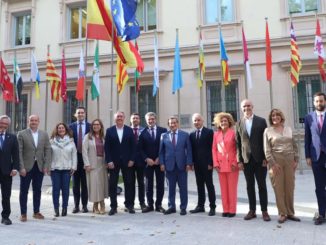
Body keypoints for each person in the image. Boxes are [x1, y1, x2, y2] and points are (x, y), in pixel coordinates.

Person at [236, 99, 271, 221]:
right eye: (244, 106)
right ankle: (252, 210)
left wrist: (266, 158)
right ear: (242, 108)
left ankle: (264, 211)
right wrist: (239, 160)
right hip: (246, 160)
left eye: (248, 105)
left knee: (262, 185)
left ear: (252, 106)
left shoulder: (261, 121)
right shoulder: (239, 123)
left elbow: (266, 141)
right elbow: (238, 143)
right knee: (249, 186)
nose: (247, 108)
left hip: (260, 159)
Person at [264, 109, 300, 224]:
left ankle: (290, 213)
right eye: (273, 116)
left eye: (277, 115)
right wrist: (272, 163)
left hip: (290, 161)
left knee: (290, 187)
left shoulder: (288, 129)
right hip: (276, 162)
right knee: (278, 188)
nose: (275, 117)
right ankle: (282, 213)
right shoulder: (267, 131)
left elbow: (294, 145)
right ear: (271, 118)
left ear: (281, 117)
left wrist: (296, 159)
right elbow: (267, 149)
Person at [17, 115, 51, 222]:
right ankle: (23, 213)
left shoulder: (44, 134)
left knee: (37, 190)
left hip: (39, 167)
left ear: (39, 122)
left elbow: (48, 150)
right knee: (24, 191)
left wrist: (46, 166)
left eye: (36, 120)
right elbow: (19, 152)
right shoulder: (22, 134)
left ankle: (36, 212)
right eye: (32, 120)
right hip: (26, 167)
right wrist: (21, 167)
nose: (34, 122)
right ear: (28, 121)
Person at [159, 116, 193, 215]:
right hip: (169, 166)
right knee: (170, 188)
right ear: (168, 124)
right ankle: (171, 207)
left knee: (183, 188)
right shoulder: (164, 135)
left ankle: (183, 207)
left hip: (182, 166)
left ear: (177, 124)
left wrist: (188, 163)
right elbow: (161, 151)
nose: (172, 125)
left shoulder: (185, 135)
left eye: (174, 123)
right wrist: (162, 163)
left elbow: (189, 150)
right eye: (170, 123)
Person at [105, 111, 136, 215]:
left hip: (127, 162)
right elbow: (107, 148)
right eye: (117, 116)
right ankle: (113, 206)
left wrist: (132, 159)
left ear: (124, 118)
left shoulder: (129, 130)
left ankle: (129, 205)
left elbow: (133, 146)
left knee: (129, 183)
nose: (119, 118)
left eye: (121, 116)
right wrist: (109, 160)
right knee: (112, 184)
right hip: (113, 162)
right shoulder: (109, 131)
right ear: (115, 118)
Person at [304, 92, 326, 225]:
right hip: (316, 157)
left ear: (325, 102)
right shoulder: (308, 118)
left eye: (321, 101)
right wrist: (307, 155)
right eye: (317, 101)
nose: (319, 103)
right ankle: (322, 213)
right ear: (314, 103)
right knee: (319, 187)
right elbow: (307, 138)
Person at [139, 112, 167, 213]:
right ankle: (150, 205)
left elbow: (165, 146)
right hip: (148, 163)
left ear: (155, 119)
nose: (150, 121)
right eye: (148, 120)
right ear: (146, 121)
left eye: (152, 119)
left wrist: (160, 158)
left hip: (160, 162)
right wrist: (146, 158)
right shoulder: (142, 133)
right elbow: (140, 149)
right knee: (148, 185)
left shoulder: (163, 131)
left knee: (160, 184)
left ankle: (158, 205)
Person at [212, 112, 239, 217]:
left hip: (232, 165)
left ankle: (232, 210)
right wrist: (215, 163)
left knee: (232, 189)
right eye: (222, 121)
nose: (223, 123)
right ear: (219, 123)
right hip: (220, 165)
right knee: (223, 189)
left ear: (229, 122)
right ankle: (225, 209)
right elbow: (214, 150)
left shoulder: (233, 133)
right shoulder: (216, 134)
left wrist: (235, 162)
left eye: (225, 121)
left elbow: (238, 149)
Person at [189, 113, 216, 216]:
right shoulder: (191, 135)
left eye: (198, 120)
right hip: (197, 165)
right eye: (195, 121)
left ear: (202, 120)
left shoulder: (209, 132)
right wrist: (191, 163)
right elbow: (191, 151)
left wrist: (211, 162)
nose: (197, 122)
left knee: (209, 185)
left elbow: (212, 149)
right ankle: (200, 206)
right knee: (199, 185)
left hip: (207, 164)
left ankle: (212, 207)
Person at [50, 123, 77, 217]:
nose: (61, 129)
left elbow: (74, 155)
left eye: (62, 128)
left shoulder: (71, 141)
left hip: (67, 169)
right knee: (56, 189)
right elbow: (49, 155)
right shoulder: (52, 141)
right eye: (59, 128)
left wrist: (74, 167)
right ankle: (56, 209)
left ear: (66, 129)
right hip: (55, 169)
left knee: (65, 190)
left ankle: (64, 208)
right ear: (56, 130)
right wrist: (49, 167)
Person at [82, 119, 108, 215]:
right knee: (94, 185)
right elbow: (84, 151)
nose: (96, 126)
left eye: (98, 124)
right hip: (92, 164)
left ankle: (102, 204)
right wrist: (87, 164)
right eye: (94, 125)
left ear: (101, 126)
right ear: (92, 126)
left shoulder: (103, 137)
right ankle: (95, 205)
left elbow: (107, 150)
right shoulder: (87, 137)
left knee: (101, 184)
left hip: (102, 163)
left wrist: (107, 161)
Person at [69, 106, 90, 213]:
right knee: (75, 184)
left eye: (82, 113)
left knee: (85, 184)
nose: (80, 114)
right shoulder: (70, 127)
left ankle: (85, 206)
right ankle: (76, 206)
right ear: (75, 115)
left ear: (85, 114)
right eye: (79, 113)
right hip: (74, 158)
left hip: (86, 158)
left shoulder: (90, 126)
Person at [0, 115, 19, 225]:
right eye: (2, 123)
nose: (3, 125)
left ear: (8, 125)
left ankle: (5, 216)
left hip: (7, 171)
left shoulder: (12, 137)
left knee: (6, 195)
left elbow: (15, 154)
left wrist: (15, 168)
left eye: (6, 124)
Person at [130, 113, 147, 211]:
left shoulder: (144, 131)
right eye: (133, 118)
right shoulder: (127, 130)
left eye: (137, 118)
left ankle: (142, 203)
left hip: (141, 161)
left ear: (139, 120)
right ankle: (130, 204)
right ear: (130, 120)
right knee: (130, 183)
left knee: (141, 183)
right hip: (130, 162)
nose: (135, 119)